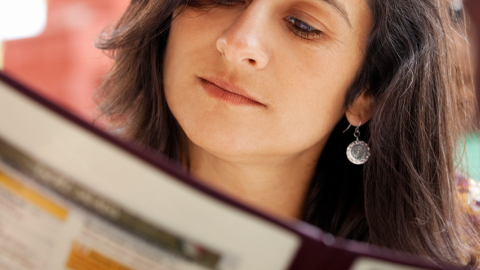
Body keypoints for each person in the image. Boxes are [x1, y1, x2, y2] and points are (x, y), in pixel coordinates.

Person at [96, 0, 480, 267]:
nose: (238, 43)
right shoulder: (64, 183)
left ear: (367, 91)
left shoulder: (466, 243)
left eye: (303, 25)